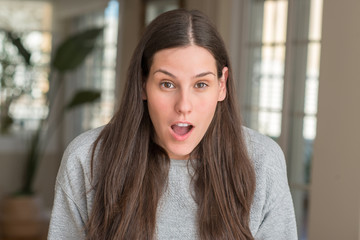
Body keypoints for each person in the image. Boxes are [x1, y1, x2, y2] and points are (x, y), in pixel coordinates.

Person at [48, 9, 297, 240]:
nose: (184, 105)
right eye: (167, 84)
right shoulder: (86, 159)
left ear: (222, 86)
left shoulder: (263, 161)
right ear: (143, 83)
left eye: (201, 84)